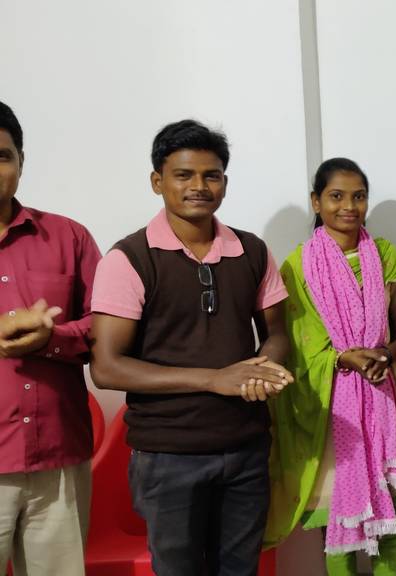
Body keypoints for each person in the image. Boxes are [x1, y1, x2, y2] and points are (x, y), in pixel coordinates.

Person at [90, 119, 293, 575]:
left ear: (225, 182)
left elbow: (277, 333)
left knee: (240, 570)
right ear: (157, 181)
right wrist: (215, 379)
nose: (199, 186)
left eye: (211, 175)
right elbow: (106, 367)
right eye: (184, 175)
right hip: (168, 455)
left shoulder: (253, 251)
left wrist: (264, 369)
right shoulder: (128, 259)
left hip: (246, 447)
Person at [264, 158, 396, 575]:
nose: (349, 206)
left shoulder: (385, 256)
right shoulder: (298, 266)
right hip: (330, 413)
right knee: (339, 520)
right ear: (316, 201)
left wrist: (385, 355)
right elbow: (296, 348)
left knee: (392, 513)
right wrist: (343, 358)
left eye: (358, 196)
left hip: (385, 401)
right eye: (336, 196)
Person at [0, 100, 102, 575]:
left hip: (58, 456)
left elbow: (106, 325)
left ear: (21, 162)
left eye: (2, 156)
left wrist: (50, 338)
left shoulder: (68, 237)